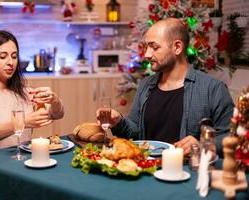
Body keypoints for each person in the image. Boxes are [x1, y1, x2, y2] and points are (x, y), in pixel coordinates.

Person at [96, 18, 234, 155]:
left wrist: (201, 145)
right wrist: (118, 121)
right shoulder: (145, 85)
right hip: (145, 169)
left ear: (177, 47)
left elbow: (233, 138)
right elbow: (135, 132)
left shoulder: (213, 89)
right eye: (146, 47)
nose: (147, 55)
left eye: (154, 47)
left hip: (187, 173)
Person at [0, 30, 64, 153]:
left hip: (24, 160)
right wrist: (21, 123)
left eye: (14, 56)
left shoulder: (25, 92)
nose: (11, 62)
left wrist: (54, 100)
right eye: (2, 56)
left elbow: (57, 114)